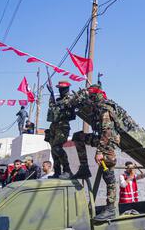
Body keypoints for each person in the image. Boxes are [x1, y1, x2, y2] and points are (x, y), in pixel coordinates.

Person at [67, 85, 120, 221]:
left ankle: (111, 208)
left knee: (108, 176)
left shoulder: (105, 110)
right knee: (78, 137)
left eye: (91, 97)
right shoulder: (97, 109)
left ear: (96, 96)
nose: (90, 100)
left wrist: (100, 151)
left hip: (108, 144)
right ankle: (84, 167)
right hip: (101, 140)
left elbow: (107, 132)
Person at [45, 81, 76, 179]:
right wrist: (51, 94)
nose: (61, 90)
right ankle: (57, 171)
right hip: (54, 125)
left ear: (67, 89)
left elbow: (72, 108)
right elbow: (52, 108)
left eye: (63, 89)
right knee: (53, 150)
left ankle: (67, 170)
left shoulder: (70, 99)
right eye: (59, 88)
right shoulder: (57, 100)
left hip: (63, 126)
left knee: (57, 148)